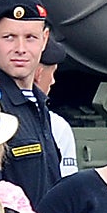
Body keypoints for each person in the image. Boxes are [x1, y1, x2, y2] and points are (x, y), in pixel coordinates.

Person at [0, 0, 61, 207]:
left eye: (30, 37)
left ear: (44, 40)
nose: (20, 48)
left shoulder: (38, 104)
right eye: (9, 37)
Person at [35, 44, 76, 176]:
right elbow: (66, 180)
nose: (52, 81)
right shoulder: (57, 125)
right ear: (38, 74)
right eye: (52, 73)